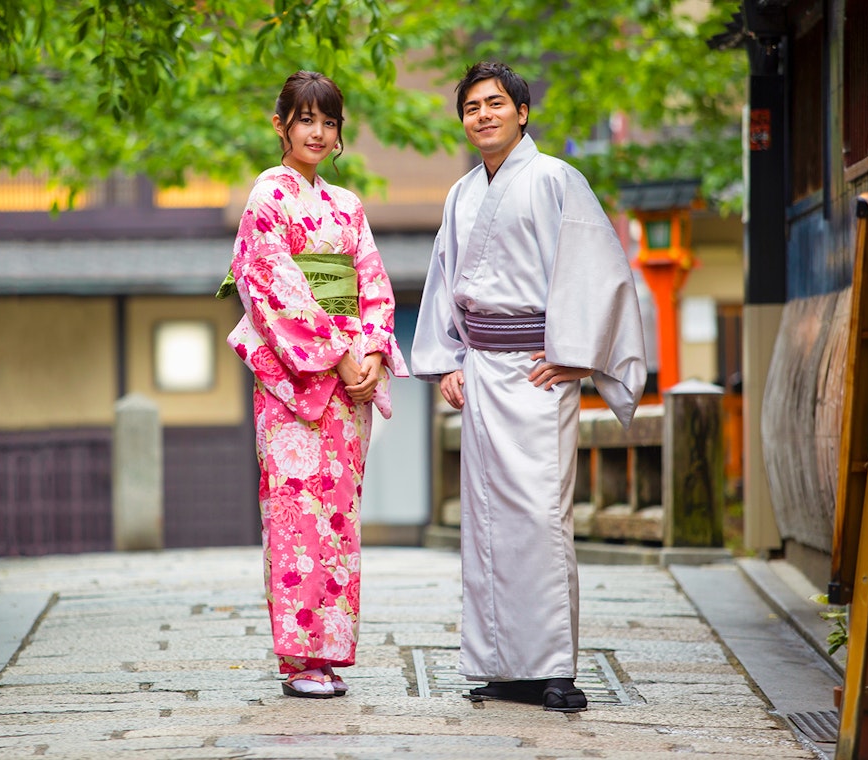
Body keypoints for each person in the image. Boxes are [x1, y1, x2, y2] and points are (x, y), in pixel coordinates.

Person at [410, 62, 646, 713]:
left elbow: (597, 269)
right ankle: (502, 665)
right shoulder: (461, 194)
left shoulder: (555, 180)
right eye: (471, 107)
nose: (482, 115)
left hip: (539, 373)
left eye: (494, 103)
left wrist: (580, 356)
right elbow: (445, 281)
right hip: (483, 372)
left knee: (543, 519)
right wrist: (446, 360)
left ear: (521, 111)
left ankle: (553, 668)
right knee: (487, 524)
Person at [217, 70, 408, 699]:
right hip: (295, 387)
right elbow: (272, 286)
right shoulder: (267, 197)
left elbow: (374, 285)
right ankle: (301, 659)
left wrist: (373, 351)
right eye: (305, 120)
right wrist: (335, 354)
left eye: (329, 122)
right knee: (297, 517)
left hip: (348, 382)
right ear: (281, 125)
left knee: (339, 518)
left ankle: (330, 655)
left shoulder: (348, 205)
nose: (318, 132)